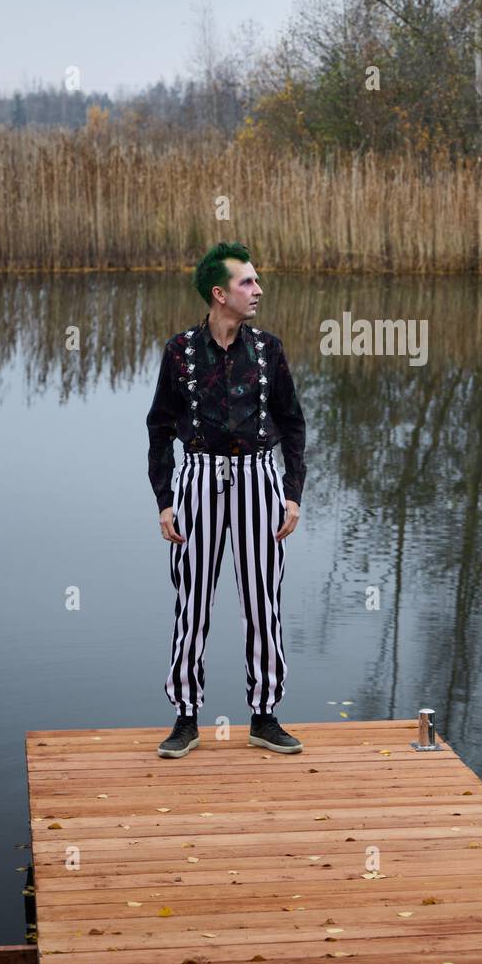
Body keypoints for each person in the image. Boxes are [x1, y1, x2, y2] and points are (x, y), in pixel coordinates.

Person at [146, 241, 306, 757]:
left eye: (256, 282)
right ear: (220, 294)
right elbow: (159, 427)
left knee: (263, 599)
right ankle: (185, 718)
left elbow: (292, 423)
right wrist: (165, 500)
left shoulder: (269, 349)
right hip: (197, 481)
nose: (257, 290)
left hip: (261, 480)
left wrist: (292, 493)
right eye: (247, 283)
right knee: (192, 603)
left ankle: (264, 716)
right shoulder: (179, 352)